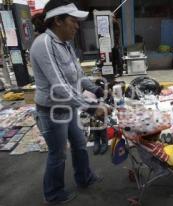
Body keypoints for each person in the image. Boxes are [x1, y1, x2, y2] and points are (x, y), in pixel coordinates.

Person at [30, 0, 108, 204]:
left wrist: (95, 89)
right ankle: (53, 194)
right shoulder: (44, 44)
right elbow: (60, 87)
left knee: (80, 144)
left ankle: (84, 178)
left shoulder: (65, 45)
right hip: (52, 111)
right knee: (58, 154)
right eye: (73, 21)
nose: (77, 26)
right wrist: (92, 108)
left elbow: (78, 75)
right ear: (58, 21)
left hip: (69, 107)